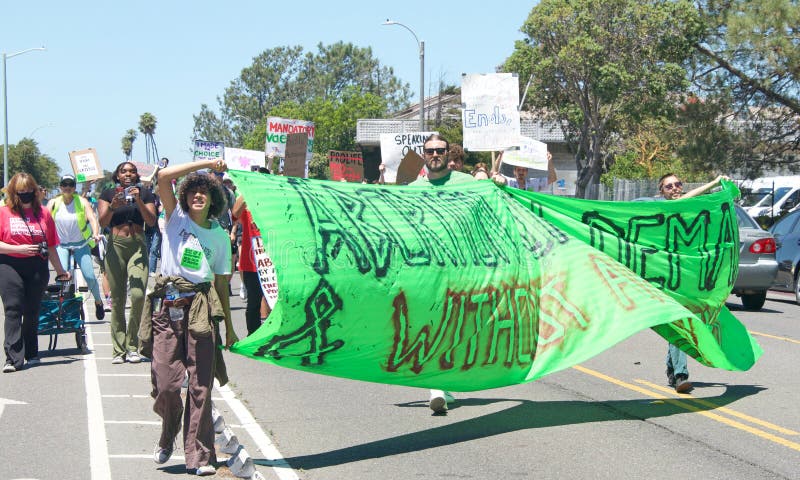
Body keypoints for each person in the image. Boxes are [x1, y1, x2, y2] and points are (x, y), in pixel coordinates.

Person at [142, 158, 238, 476]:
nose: (198, 195)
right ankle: (168, 432)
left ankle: (199, 456)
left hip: (201, 308)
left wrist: (231, 330)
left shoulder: (221, 237)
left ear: (213, 198)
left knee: (201, 387)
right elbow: (165, 176)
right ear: (184, 197)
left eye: (204, 191)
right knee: (168, 385)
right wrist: (207, 164)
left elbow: (222, 284)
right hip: (168, 307)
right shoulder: (175, 218)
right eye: (192, 191)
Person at [411, 134, 506, 412]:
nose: (436, 154)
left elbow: (492, 200)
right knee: (431, 323)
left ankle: (445, 382)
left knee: (456, 327)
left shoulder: (465, 183)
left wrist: (497, 184)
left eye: (441, 150)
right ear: (424, 154)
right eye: (430, 151)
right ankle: (437, 386)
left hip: (463, 270)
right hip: (427, 271)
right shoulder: (412, 189)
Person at [657, 172, 728, 393]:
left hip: (690, 280)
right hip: (667, 279)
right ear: (662, 192)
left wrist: (723, 190)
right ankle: (680, 375)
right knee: (679, 322)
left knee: (681, 322)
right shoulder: (660, 211)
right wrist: (713, 183)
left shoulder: (693, 207)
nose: (675, 188)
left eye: (678, 184)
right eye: (669, 187)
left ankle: (672, 368)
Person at [1, 173, 71, 373]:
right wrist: (18, 249)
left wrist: (60, 271)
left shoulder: (43, 213)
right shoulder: (4, 212)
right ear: (13, 193)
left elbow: (51, 246)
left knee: (31, 312)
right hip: (9, 264)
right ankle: (13, 358)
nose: (25, 195)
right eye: (20, 192)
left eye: (28, 191)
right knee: (13, 309)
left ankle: (31, 352)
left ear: (35, 191)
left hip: (37, 266)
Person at [97, 162, 157, 364]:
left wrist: (139, 200)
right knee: (118, 299)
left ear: (136, 175)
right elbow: (103, 222)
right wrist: (113, 206)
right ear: (118, 175)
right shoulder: (107, 194)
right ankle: (118, 350)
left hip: (138, 246)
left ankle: (133, 346)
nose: (128, 174)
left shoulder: (146, 193)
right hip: (116, 246)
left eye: (132, 171)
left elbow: (151, 221)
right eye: (124, 171)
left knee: (139, 295)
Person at [47, 174, 105, 320]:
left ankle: (98, 302)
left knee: (90, 276)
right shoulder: (53, 202)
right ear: (60, 187)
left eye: (71, 185)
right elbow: (44, 220)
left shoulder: (81, 201)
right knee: (62, 277)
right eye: (64, 184)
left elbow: (92, 218)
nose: (67, 187)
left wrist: (96, 234)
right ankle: (63, 308)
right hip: (61, 245)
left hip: (81, 244)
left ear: (74, 187)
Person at [231, 193, 271, 336]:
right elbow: (234, 214)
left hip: (273, 265)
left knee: (275, 301)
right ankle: (253, 335)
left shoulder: (275, 210)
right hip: (251, 265)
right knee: (254, 302)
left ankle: (272, 334)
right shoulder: (247, 211)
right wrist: (247, 188)